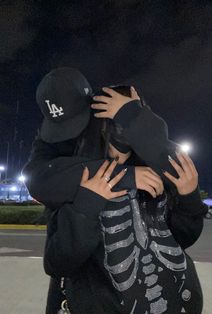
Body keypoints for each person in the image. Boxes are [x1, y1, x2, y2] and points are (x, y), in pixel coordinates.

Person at [42, 85, 208, 313]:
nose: (121, 134)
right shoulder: (78, 177)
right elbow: (57, 262)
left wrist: (188, 197)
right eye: (114, 123)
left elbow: (183, 239)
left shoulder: (158, 173)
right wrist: (86, 205)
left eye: (130, 120)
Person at [23, 71, 170, 313]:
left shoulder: (111, 112)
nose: (65, 134)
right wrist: (122, 175)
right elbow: (37, 179)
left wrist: (132, 114)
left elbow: (164, 154)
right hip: (78, 285)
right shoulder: (48, 141)